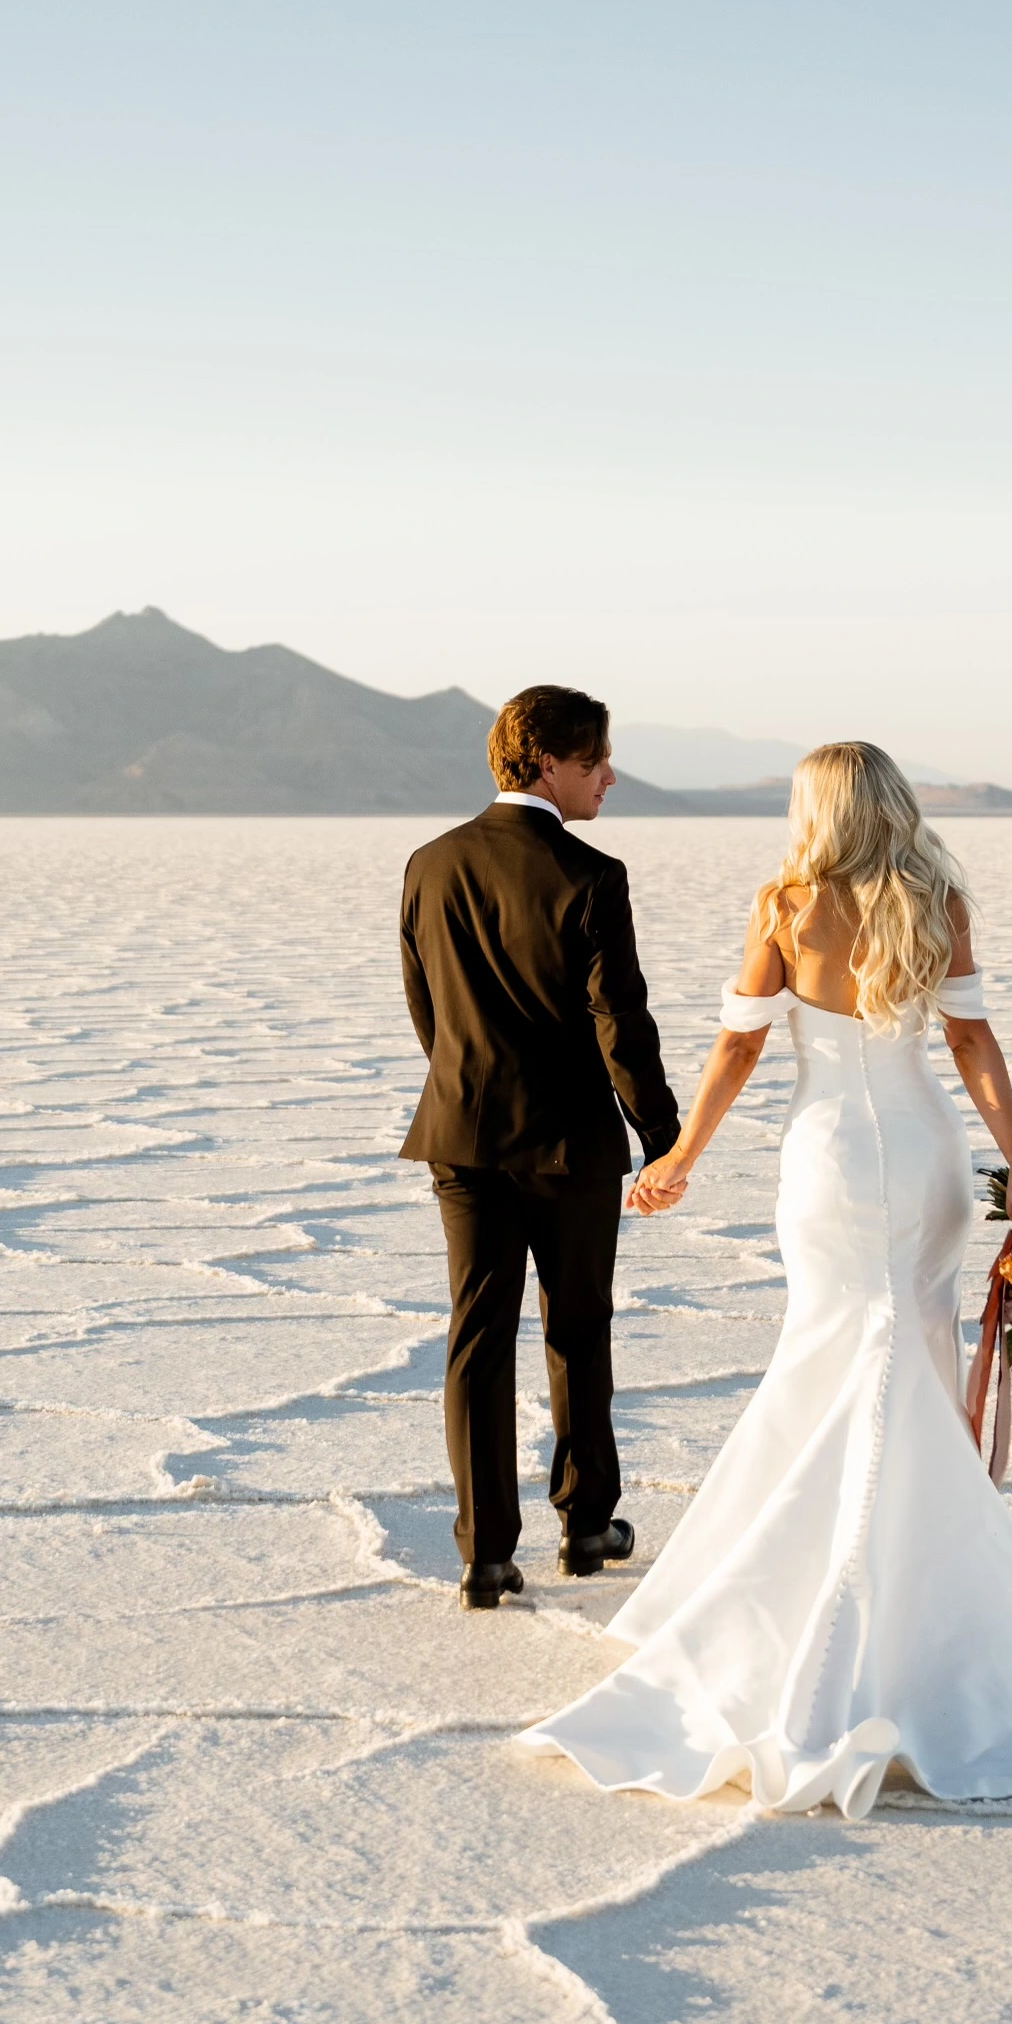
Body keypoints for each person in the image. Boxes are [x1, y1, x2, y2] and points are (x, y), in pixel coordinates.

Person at [518, 741, 1012, 1815]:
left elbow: (739, 1048)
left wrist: (681, 1155)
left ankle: (806, 1587)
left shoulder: (786, 905)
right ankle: (929, 1603)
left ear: (817, 810)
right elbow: (969, 1038)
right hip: (921, 1150)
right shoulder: (936, 898)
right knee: (905, 1349)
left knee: (833, 1347)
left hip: (828, 1152)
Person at [399, 686, 681, 1610]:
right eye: (598, 759)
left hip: (462, 1133)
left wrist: (467, 1084)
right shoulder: (590, 875)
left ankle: (484, 1554)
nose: (610, 776)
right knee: (577, 1328)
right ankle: (586, 1523)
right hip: (569, 1142)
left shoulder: (429, 864)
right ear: (549, 764)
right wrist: (662, 1134)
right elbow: (620, 1022)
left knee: (476, 1340)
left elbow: (426, 1008)